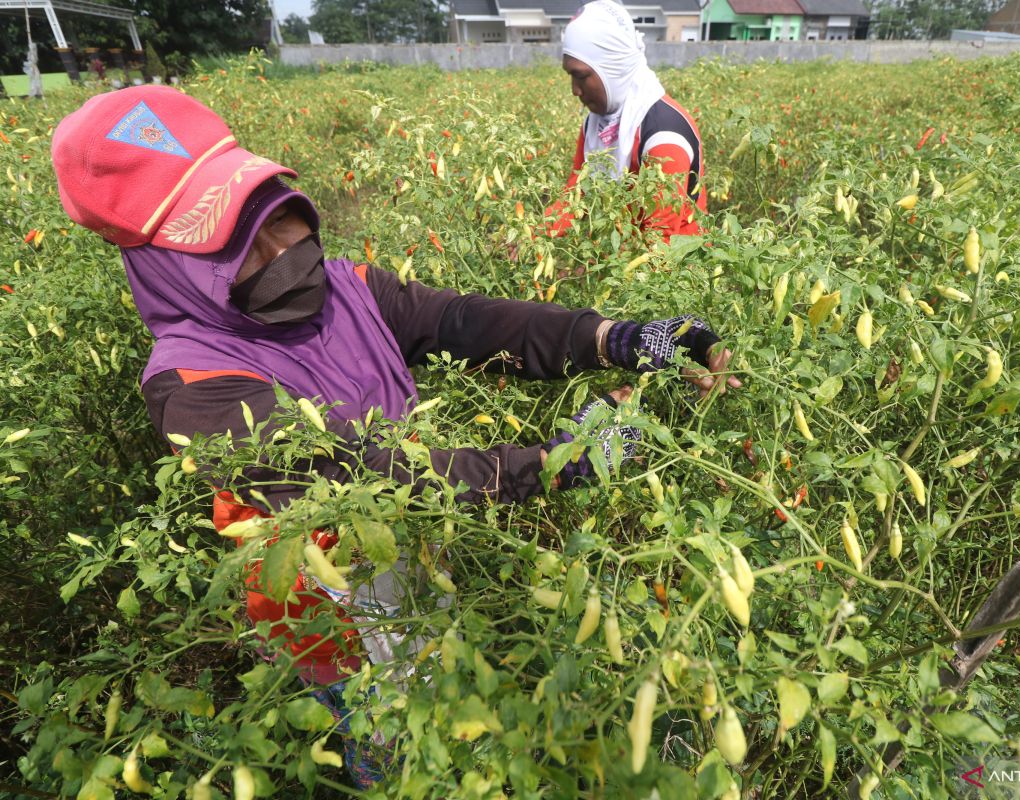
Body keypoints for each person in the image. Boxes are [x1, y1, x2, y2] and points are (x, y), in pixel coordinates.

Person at [50, 85, 740, 785]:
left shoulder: (346, 287)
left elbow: (468, 322)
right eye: (237, 247)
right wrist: (560, 461)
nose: (284, 250)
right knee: (397, 754)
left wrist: (619, 338)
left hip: (422, 563)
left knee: (444, 708)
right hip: (332, 622)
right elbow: (367, 480)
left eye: (278, 217)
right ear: (171, 267)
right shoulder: (192, 385)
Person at [547, 0, 706, 241]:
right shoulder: (596, 124)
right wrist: (537, 235)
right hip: (618, 257)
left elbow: (659, 240)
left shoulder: (664, 135)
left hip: (672, 268)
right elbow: (577, 191)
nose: (575, 90)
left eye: (580, 76)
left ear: (612, 68)